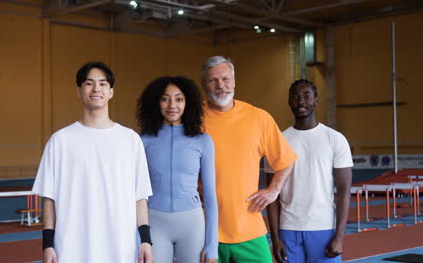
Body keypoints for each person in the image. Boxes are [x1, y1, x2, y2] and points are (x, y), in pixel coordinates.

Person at [32, 61, 153, 263]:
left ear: (111, 92)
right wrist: (48, 245)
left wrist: (146, 241)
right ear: (79, 91)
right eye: (89, 83)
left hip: (120, 248)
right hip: (71, 249)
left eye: (103, 84)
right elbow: (49, 199)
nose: (96, 88)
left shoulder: (130, 139)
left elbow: (140, 197)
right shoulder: (60, 140)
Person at [200, 56, 297, 263]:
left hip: (250, 230)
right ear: (204, 85)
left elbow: (286, 160)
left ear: (234, 82)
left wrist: (274, 190)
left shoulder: (259, 118)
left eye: (225, 79)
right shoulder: (192, 119)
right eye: (213, 81)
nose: (220, 86)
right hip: (205, 231)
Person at [267, 79, 353, 263]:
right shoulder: (278, 141)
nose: (301, 101)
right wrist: (275, 239)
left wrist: (339, 236)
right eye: (295, 97)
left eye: (306, 96)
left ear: (316, 100)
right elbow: (271, 196)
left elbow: (345, 190)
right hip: (288, 229)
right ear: (289, 102)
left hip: (323, 228)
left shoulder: (335, 139)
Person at [137, 76, 218, 263]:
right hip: (155, 223)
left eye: (179, 99)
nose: (172, 105)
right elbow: (136, 193)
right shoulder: (143, 141)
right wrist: (139, 237)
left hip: (192, 225)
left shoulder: (203, 141)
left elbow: (211, 195)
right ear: (156, 103)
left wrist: (212, 246)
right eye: (165, 99)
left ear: (187, 103)